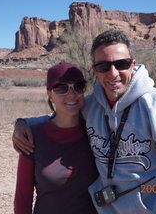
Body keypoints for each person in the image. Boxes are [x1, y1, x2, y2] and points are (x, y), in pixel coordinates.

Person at [13, 30, 156, 213]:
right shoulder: (91, 106)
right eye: (103, 66)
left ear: (133, 64)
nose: (113, 74)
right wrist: (23, 123)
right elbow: (62, 114)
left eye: (121, 64)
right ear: (95, 69)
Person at [14, 62, 99, 214]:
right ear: (49, 94)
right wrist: (20, 123)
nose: (72, 94)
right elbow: (23, 198)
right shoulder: (32, 137)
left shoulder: (96, 132)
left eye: (78, 86)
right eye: (61, 88)